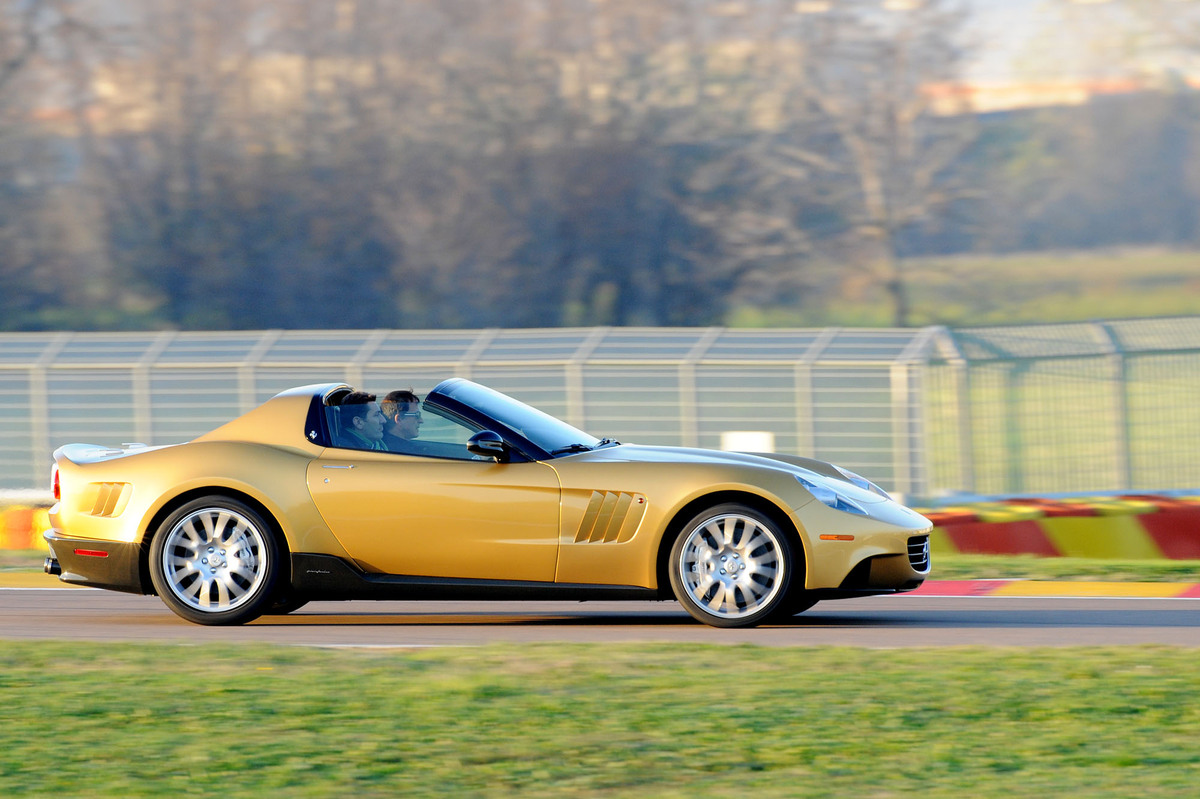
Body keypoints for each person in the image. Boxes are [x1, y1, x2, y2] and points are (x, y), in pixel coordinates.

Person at [380, 388, 429, 452]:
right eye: (417, 415)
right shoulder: (404, 452)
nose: (421, 421)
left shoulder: (383, 447)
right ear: (399, 419)